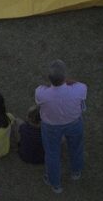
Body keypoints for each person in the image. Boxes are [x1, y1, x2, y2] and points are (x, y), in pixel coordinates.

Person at [35, 59, 87, 194]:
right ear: (65, 76)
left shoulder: (41, 92)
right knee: (76, 147)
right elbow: (79, 85)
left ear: (49, 78)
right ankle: (76, 172)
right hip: (74, 123)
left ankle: (55, 184)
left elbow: (42, 90)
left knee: (52, 154)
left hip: (51, 126)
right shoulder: (80, 89)